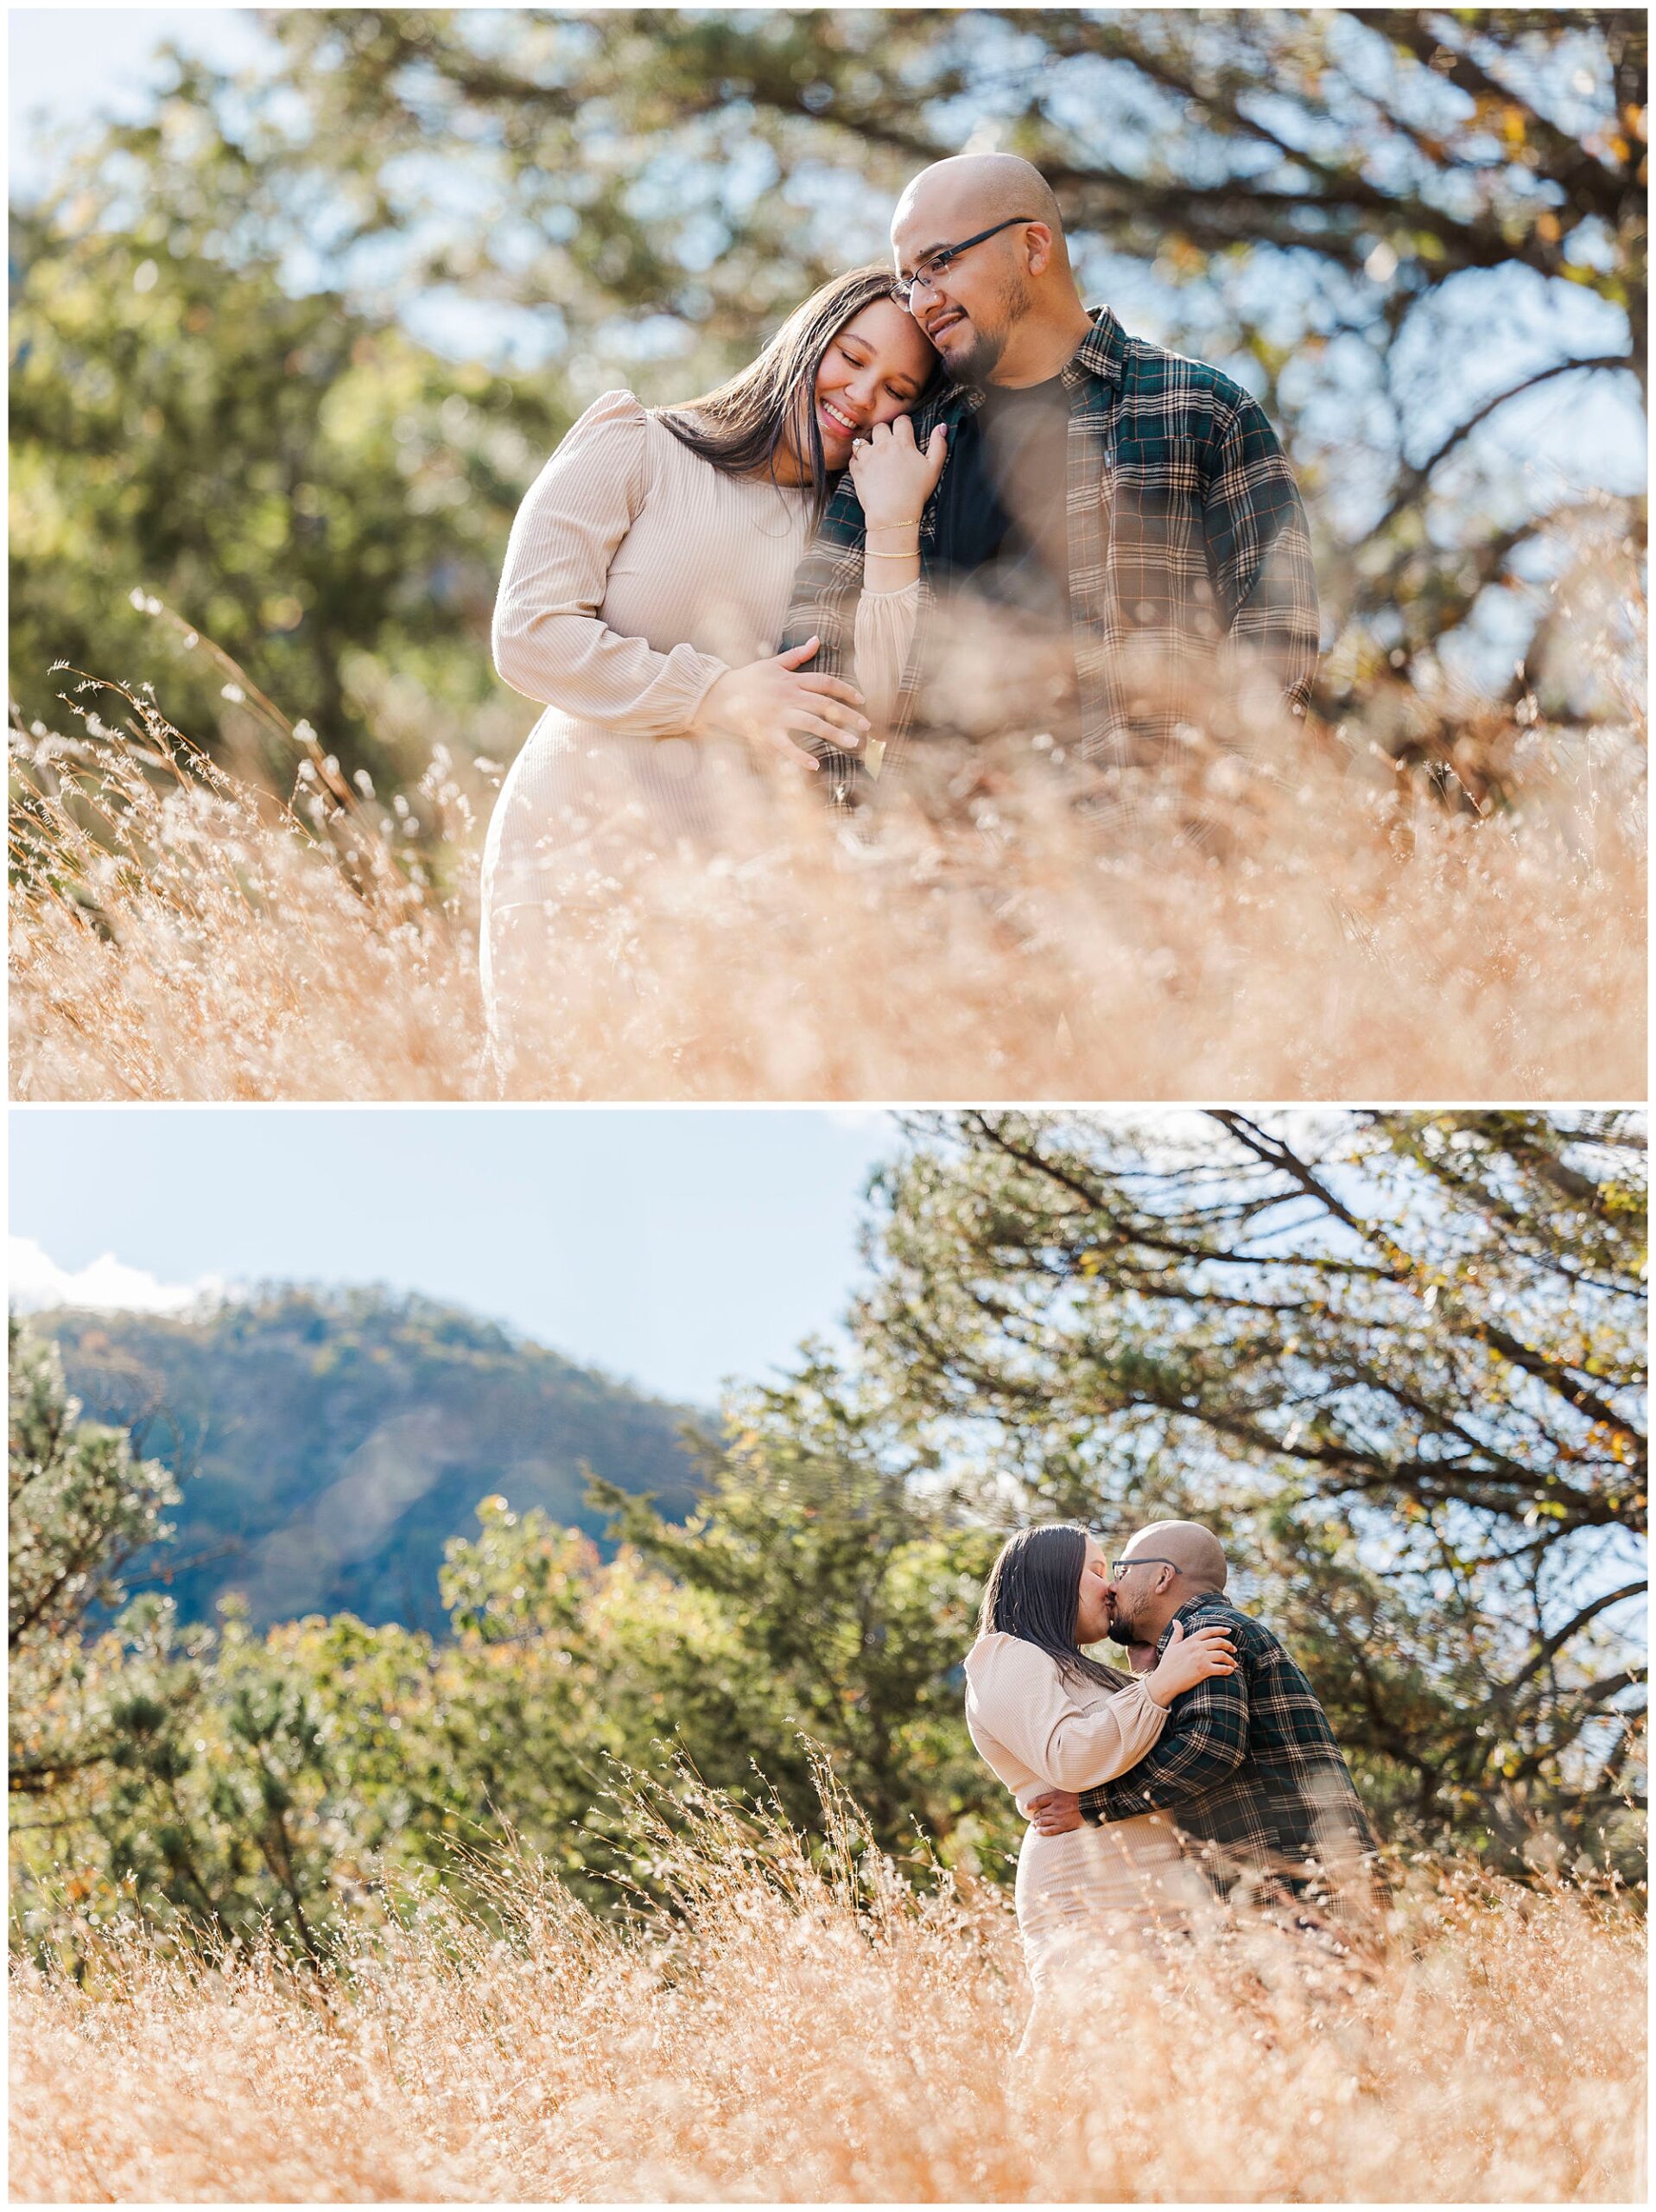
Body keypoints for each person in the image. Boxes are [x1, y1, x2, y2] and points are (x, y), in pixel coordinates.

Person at [479, 265, 947, 1068]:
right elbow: (529, 632)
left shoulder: (859, 523)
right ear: (806, 336)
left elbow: (884, 697)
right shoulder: (639, 447)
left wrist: (896, 522)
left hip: (751, 891)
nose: (864, 394)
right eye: (852, 355)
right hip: (575, 849)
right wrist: (715, 694)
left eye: (899, 388)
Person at [780, 152, 1321, 812]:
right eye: (907, 281)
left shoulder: (1197, 409)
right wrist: (864, 848)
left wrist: (1204, 845)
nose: (920, 301)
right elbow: (813, 664)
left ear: (1033, 246)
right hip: (935, 885)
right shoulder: (899, 441)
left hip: (1149, 877)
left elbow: (1278, 649)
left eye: (938, 264)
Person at [1025, 1521, 1384, 1929]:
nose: (1111, 1587)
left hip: (1300, 1887)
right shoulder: (1205, 1638)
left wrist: (1091, 1806)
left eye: (1121, 1571)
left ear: (1162, 1577)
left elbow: (1209, 1749)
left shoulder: (1208, 1630)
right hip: (1306, 1884)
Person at [964, 1522, 1238, 2045]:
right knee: (1081, 2056)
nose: (1110, 1586)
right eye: (1094, 1570)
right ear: (1052, 1580)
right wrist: (1159, 1686)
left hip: (1155, 1896)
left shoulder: (1082, 1671)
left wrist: (1147, 1669)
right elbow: (1069, 1756)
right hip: (1088, 1892)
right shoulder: (1004, 1656)